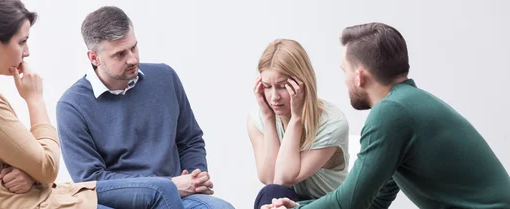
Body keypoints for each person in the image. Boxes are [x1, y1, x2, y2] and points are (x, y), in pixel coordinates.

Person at [0, 1, 187, 208]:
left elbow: (32, 164)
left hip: (38, 197)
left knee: (162, 190)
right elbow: (47, 166)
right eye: (22, 42)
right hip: (31, 204)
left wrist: (32, 175)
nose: (27, 52)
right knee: (162, 191)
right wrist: (34, 99)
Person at [261, 22, 510, 209]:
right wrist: (300, 207)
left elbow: (352, 201)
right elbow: (376, 200)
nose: (345, 80)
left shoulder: (391, 113)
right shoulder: (407, 106)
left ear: (359, 76)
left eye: (344, 71)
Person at [56, 6, 234, 209]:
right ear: (94, 58)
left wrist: (196, 177)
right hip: (122, 203)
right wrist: (167, 185)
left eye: (134, 48)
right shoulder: (71, 107)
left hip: (180, 197)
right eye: (120, 54)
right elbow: (91, 181)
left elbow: (189, 140)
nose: (132, 59)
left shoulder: (165, 77)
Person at [248, 39, 349, 209]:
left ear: (302, 84)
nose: (273, 97)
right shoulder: (257, 119)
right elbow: (270, 179)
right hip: (286, 203)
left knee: (274, 194)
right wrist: (268, 119)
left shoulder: (332, 124)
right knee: (271, 194)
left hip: (325, 205)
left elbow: (283, 178)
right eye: (267, 86)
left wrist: (296, 119)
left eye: (282, 87)